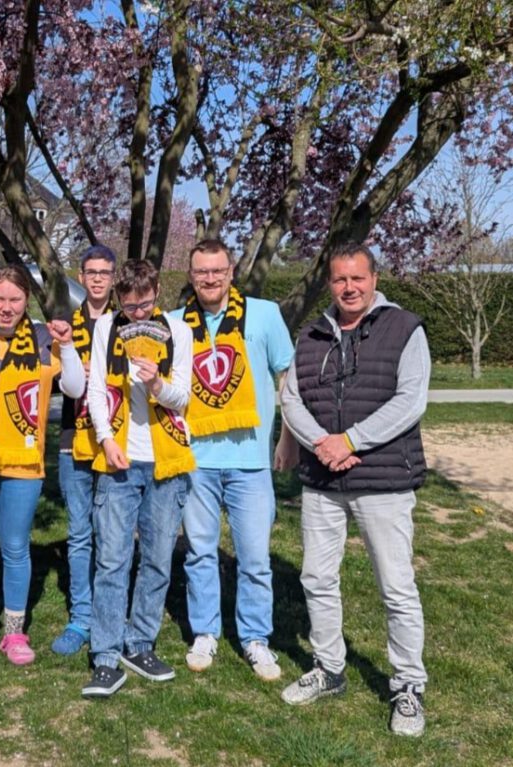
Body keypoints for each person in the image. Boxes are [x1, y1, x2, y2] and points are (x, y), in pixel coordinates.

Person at [279, 242, 430, 737]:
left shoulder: (404, 328)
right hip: (323, 479)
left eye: (358, 279)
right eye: (340, 280)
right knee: (317, 579)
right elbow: (292, 398)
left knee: (396, 587)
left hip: (382, 478)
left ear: (374, 278)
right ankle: (329, 668)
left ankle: (407, 685)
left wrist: (352, 440)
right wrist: (321, 443)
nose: (349, 288)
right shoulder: (312, 334)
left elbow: (411, 400)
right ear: (330, 283)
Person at [169, 239, 294, 681]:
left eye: (217, 270)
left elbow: (287, 378)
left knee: (255, 557)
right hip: (196, 461)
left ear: (231, 270)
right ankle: (205, 632)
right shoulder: (174, 324)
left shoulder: (264, 314)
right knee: (200, 552)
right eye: (201, 271)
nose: (209, 278)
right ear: (190, 274)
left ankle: (255, 638)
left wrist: (288, 439)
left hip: (251, 461)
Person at [0, 265, 85, 666]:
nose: (6, 307)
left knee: (15, 547)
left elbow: (76, 388)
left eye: (14, 299)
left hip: (25, 463)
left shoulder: (45, 338)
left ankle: (14, 631)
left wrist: (68, 348)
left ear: (26, 300)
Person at [81, 259, 194, 699]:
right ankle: (106, 655)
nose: (139, 315)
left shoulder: (178, 331)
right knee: (111, 559)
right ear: (118, 300)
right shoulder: (106, 327)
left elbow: (183, 397)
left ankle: (140, 643)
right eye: (130, 307)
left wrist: (157, 385)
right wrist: (106, 439)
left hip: (165, 459)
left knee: (158, 557)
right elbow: (94, 390)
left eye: (145, 305)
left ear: (157, 292)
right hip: (119, 458)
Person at [52, 244, 116, 656]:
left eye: (104, 272)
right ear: (82, 274)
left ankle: (110, 613)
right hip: (71, 440)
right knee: (79, 534)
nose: (96, 279)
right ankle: (80, 616)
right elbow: (58, 378)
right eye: (90, 272)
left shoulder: (127, 322)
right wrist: (70, 364)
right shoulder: (65, 325)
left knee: (112, 534)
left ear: (113, 277)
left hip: (114, 440)